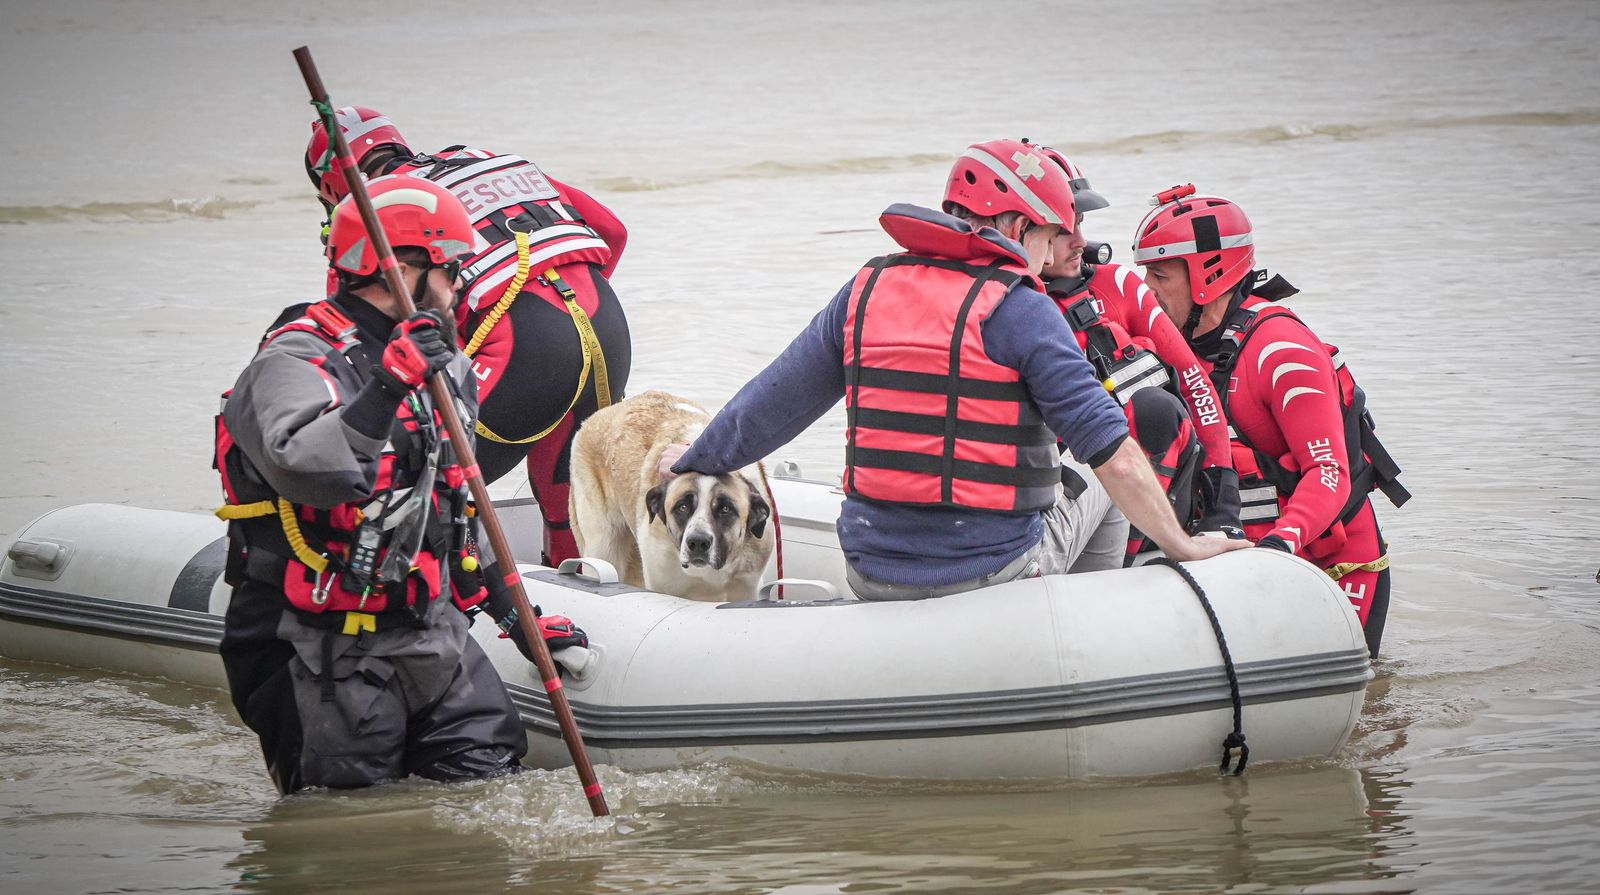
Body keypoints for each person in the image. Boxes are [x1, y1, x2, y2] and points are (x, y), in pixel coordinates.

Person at [663, 140, 1250, 600]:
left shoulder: (865, 289)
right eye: (1050, 237)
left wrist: (694, 459)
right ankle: (1088, 617)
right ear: (1018, 228)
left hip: (871, 570)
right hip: (993, 572)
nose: (1051, 257)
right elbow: (1114, 456)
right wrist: (1183, 545)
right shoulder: (1023, 308)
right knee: (1109, 465)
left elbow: (769, 406)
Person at [213, 176, 584, 793]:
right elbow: (310, 470)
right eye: (452, 269)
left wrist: (517, 616)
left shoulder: (444, 364)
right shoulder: (291, 361)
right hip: (317, 646)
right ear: (403, 270)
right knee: (352, 823)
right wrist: (387, 386)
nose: (460, 286)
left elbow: (456, 508)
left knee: (491, 784)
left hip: (429, 634)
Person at [305, 106, 632, 567]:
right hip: (608, 324)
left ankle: (465, 584)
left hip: (523, 349)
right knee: (567, 490)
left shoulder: (371, 207)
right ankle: (584, 580)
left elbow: (358, 336)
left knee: (428, 479)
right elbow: (612, 231)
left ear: (328, 185)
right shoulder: (486, 160)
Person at [1133, 184, 1408, 656]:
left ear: (1207, 275)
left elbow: (1329, 472)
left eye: (1159, 275)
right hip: (1236, 556)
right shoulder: (1172, 342)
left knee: (1365, 700)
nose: (1147, 290)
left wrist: (1278, 550)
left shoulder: (1281, 350)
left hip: (1329, 562)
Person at [1033, 146, 1241, 562]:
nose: (1080, 241)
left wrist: (1224, 504)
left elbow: (1195, 386)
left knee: (1155, 408)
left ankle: (1149, 549)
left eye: (1080, 223)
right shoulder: (1009, 303)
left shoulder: (1119, 286)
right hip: (1060, 491)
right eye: (1064, 229)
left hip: (1148, 490)